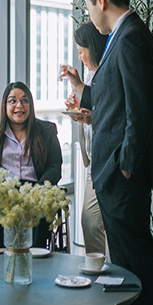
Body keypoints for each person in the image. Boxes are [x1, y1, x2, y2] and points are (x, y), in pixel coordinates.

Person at [63, 0, 153, 305]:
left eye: (89, 8)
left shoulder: (131, 36)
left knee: (138, 256)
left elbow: (139, 111)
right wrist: (82, 90)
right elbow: (115, 97)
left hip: (121, 174)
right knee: (126, 259)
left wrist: (124, 167)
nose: (91, 17)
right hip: (112, 173)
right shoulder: (121, 36)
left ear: (100, 0)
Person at [0, 82, 63, 248]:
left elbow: (54, 166)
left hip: (34, 191)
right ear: (4, 105)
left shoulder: (46, 130)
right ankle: (0, 259)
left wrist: (38, 191)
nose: (19, 106)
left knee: (38, 210)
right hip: (1, 193)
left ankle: (35, 261)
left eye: (25, 101)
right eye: (13, 101)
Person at [64, 21, 108, 255]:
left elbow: (109, 114)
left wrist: (89, 115)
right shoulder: (93, 74)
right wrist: (80, 109)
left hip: (106, 159)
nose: (80, 57)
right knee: (91, 222)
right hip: (96, 158)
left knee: (91, 221)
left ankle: (102, 274)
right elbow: (94, 108)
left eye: (81, 51)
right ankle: (100, 273)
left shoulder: (105, 72)